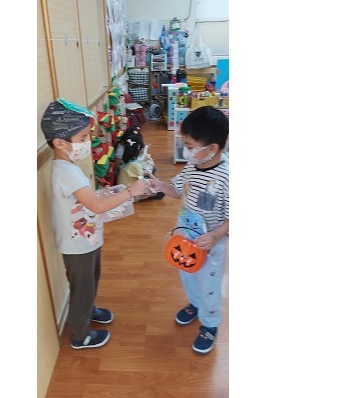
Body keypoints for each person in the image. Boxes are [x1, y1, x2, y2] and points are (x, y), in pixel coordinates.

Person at [41, 98, 151, 350]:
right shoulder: (65, 172)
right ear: (60, 143)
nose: (88, 142)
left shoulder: (68, 166)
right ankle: (80, 335)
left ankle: (87, 308)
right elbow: (97, 206)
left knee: (90, 280)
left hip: (86, 238)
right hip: (77, 245)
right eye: (82, 138)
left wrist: (109, 192)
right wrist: (130, 192)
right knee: (82, 287)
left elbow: (85, 200)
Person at [149, 106, 229, 354]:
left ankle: (210, 324)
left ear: (212, 148)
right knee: (188, 275)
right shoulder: (193, 165)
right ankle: (195, 304)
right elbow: (176, 190)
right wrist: (159, 185)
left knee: (209, 285)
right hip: (185, 238)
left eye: (190, 145)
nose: (186, 151)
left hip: (211, 244)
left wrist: (215, 235)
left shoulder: (227, 176)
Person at [116, 133, 164, 201]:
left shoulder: (127, 160)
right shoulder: (135, 165)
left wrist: (149, 174)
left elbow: (140, 173)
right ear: (140, 151)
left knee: (150, 175)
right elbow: (143, 181)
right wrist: (154, 181)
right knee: (160, 192)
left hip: (124, 188)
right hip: (129, 193)